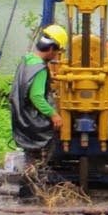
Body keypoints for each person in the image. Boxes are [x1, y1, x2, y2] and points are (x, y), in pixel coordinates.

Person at [11, 24, 68, 201]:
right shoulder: (40, 69)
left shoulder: (27, 59)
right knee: (40, 157)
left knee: (30, 156)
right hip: (35, 121)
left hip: (23, 116)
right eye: (57, 52)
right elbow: (36, 96)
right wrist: (54, 114)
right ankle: (31, 194)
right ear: (50, 49)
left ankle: (27, 192)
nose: (57, 56)